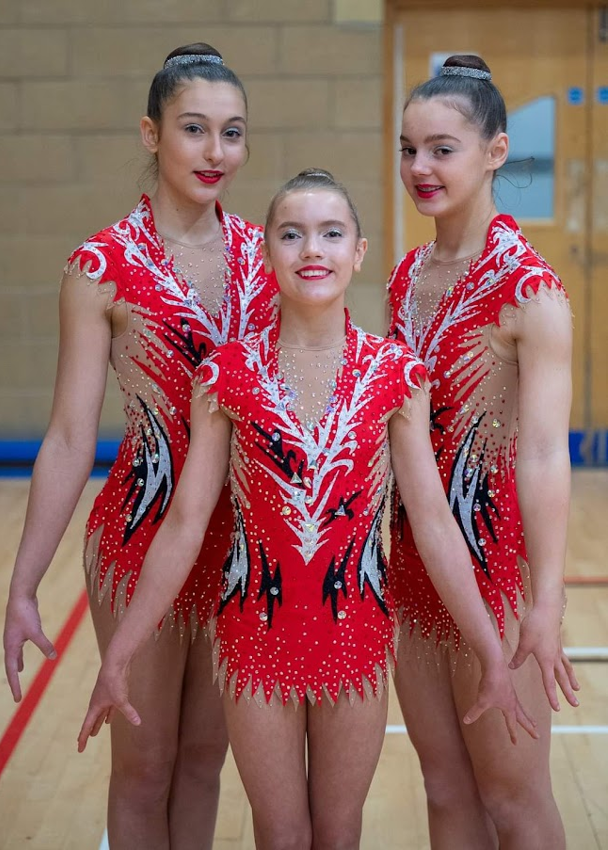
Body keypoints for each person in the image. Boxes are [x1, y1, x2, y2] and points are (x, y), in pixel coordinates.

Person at [78, 168, 537, 850]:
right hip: (254, 643)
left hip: (354, 640)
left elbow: (435, 524)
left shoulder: (396, 374)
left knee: (338, 831)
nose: (310, 249)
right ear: (266, 253)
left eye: (330, 234)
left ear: (357, 252)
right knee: (283, 834)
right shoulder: (224, 376)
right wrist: (119, 651)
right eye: (290, 234)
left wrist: (491, 657)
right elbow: (184, 521)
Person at [3, 43, 277, 850]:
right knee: (146, 763)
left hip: (239, 541)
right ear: (151, 134)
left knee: (203, 759)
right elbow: (66, 435)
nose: (216, 152)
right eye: (194, 129)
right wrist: (24, 584)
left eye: (232, 133)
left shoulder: (268, 258)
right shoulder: (102, 265)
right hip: (140, 532)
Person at [387, 54, 581, 849]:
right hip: (408, 563)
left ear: (495, 152)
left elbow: (540, 453)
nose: (419, 167)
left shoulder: (530, 290)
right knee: (442, 789)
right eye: (407, 148)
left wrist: (545, 599)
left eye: (441, 148)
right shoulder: (403, 276)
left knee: (512, 799)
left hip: (493, 573)